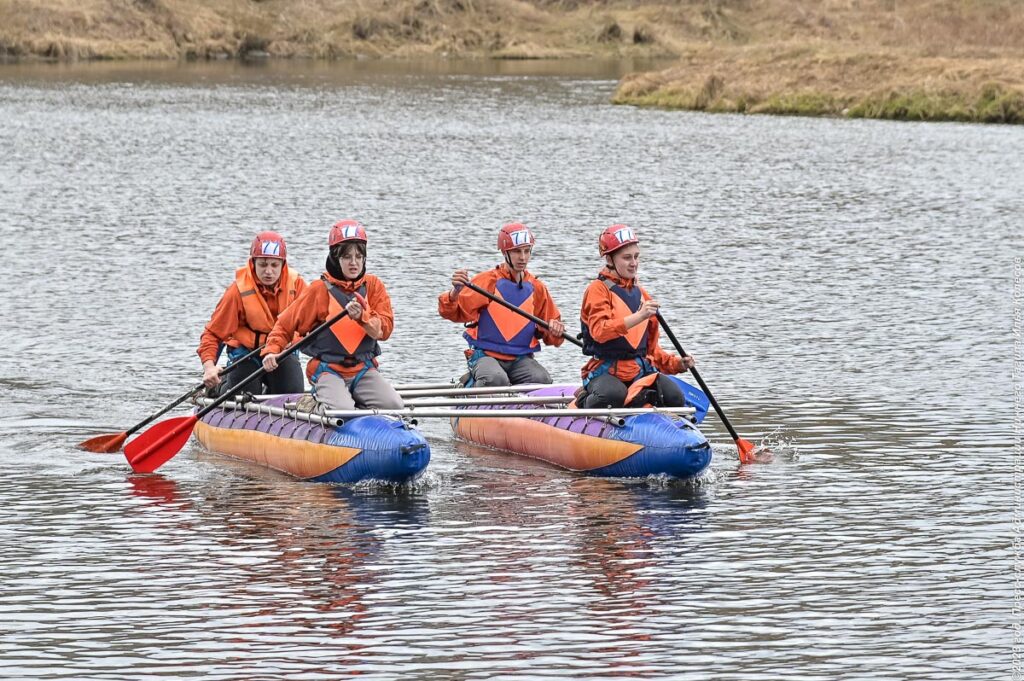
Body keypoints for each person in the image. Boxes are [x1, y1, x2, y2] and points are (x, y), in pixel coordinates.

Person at [261, 220, 403, 411]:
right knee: (342, 410)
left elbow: (385, 330)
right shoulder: (319, 290)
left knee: (394, 405)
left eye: (359, 256)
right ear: (336, 258)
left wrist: (363, 317)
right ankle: (313, 404)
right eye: (347, 257)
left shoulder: (373, 286)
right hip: (328, 371)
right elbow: (285, 326)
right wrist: (271, 351)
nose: (354, 262)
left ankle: (356, 404)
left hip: (363, 369)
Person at [578, 224, 695, 409]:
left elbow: (651, 350)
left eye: (636, 256)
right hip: (606, 372)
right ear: (609, 259)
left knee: (675, 397)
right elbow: (600, 331)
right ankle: (583, 401)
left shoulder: (642, 295)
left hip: (638, 371)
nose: (633, 263)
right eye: (626, 258)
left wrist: (677, 364)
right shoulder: (597, 290)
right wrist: (639, 316)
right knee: (613, 395)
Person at [439, 223, 565, 387]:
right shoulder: (487, 282)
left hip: (520, 359)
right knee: (496, 379)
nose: (523, 258)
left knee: (541, 380)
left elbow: (553, 337)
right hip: (485, 356)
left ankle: (524, 411)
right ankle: (470, 388)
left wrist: (556, 331)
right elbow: (451, 312)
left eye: (527, 251)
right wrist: (454, 293)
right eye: (517, 251)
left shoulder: (537, 288)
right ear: (505, 253)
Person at [198, 230, 306, 396]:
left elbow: (312, 326)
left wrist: (290, 343)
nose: (268, 271)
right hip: (246, 353)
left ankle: (270, 391)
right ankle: (219, 387)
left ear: (283, 265)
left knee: (292, 391)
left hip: (280, 353)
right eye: (263, 265)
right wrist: (209, 367)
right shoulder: (237, 291)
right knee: (245, 394)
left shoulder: (297, 285)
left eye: (274, 265)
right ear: (253, 263)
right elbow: (213, 334)